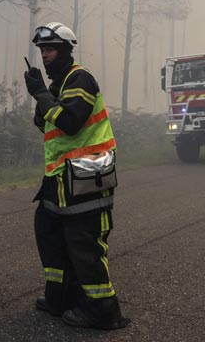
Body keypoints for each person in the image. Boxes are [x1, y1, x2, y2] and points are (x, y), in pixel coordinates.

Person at [24, 22, 130, 330]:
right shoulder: (58, 85)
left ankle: (102, 311)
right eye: (42, 50)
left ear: (66, 50)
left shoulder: (79, 78)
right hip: (58, 178)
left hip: (86, 178)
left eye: (51, 49)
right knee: (49, 234)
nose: (45, 55)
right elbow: (45, 124)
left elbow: (70, 122)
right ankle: (60, 298)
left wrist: (41, 92)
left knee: (84, 244)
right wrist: (43, 95)